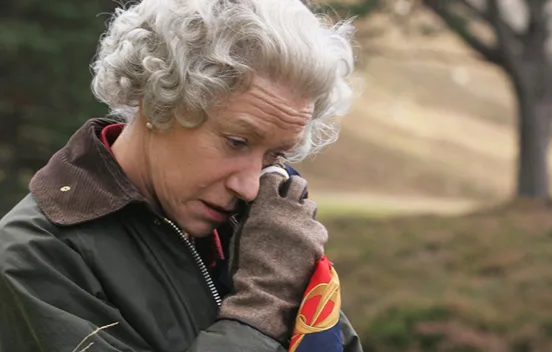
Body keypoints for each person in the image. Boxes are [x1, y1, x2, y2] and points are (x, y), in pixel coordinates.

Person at [0, 0, 362, 351]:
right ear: (156, 100)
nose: (251, 186)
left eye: (275, 154)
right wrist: (262, 307)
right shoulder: (33, 259)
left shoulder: (262, 225)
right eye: (236, 142)